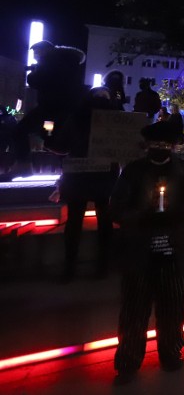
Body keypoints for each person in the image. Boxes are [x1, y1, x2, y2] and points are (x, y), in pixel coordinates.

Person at [109, 121, 184, 385]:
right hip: (139, 248)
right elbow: (116, 206)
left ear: (173, 146)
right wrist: (140, 217)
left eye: (165, 145)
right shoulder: (133, 171)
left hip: (171, 247)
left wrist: (178, 214)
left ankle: (170, 352)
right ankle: (128, 361)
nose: (160, 149)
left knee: (172, 304)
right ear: (147, 146)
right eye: (155, 145)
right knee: (135, 308)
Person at [51, 87, 119, 282]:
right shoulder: (117, 121)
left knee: (74, 221)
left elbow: (60, 147)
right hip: (104, 177)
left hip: (78, 176)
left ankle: (70, 267)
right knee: (104, 220)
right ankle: (102, 266)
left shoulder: (75, 119)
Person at [10, 41, 86, 175]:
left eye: (36, 54)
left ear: (43, 51)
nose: (35, 57)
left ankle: (23, 164)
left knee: (20, 130)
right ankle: (63, 163)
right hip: (60, 110)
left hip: (49, 107)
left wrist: (33, 72)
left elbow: (37, 80)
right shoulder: (68, 63)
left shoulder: (50, 61)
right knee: (48, 134)